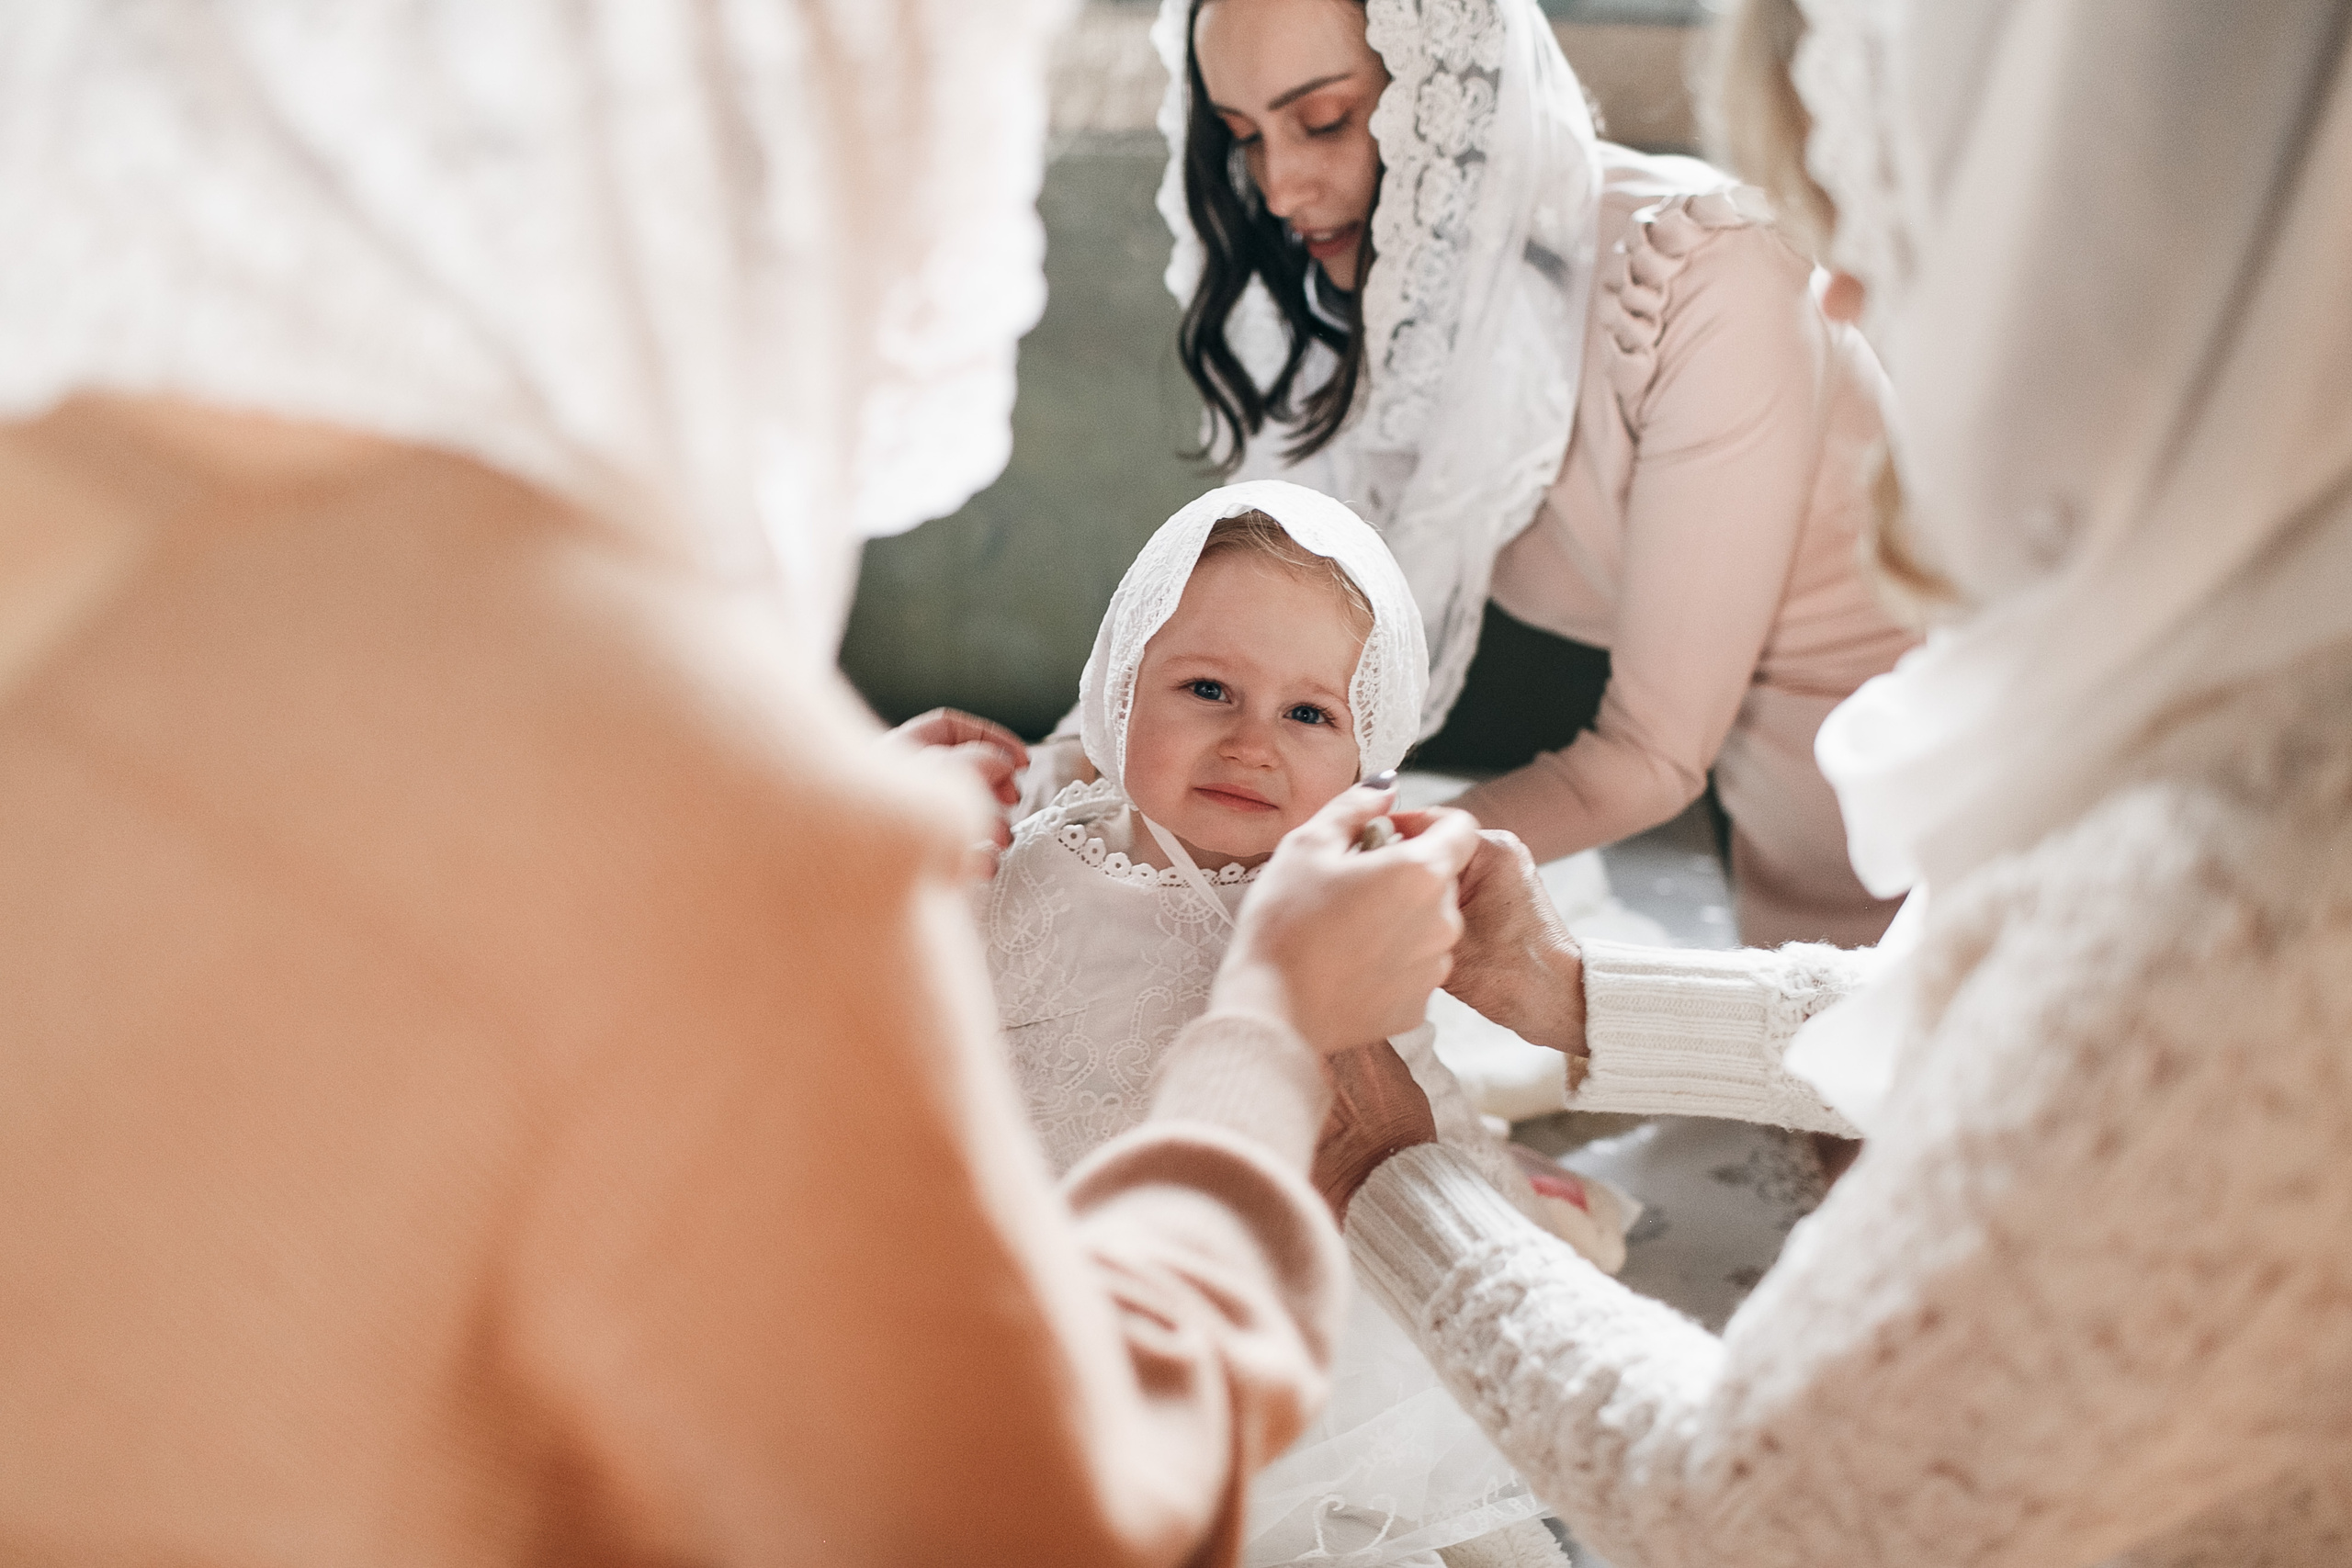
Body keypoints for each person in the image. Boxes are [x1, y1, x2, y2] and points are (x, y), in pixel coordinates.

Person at [0, 6, 1487, 1564]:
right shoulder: (700, 804)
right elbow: (1030, 1518)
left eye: (1311, 708)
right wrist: (1268, 1028)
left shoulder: (85, 520)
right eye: (1205, 687)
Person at [1309, 0, 2352, 1562]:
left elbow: (1758, 1502)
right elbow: (1981, 1018)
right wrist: (1572, 992)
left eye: (1899, 214)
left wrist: (1382, 1168)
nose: (1842, 291)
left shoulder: (2239, 885)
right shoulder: (2221, 670)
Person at [1136, 0, 1922, 948]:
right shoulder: (1380, 306)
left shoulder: (1703, 283)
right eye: (1244, 138)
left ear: (1449, 95)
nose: (1279, 187)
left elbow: (1649, 757)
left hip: (1918, 786)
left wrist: (1339, 876)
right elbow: (1234, 633)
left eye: (1325, 121)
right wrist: (1059, 784)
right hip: (1757, 803)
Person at [989, 479, 1628, 1566]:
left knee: (1412, 1507)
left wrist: (1495, 1191)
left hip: (1306, 1276)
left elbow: (1406, 1080)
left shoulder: (1354, 895)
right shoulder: (1051, 864)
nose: (1250, 744)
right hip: (1098, 1255)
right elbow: (956, 1036)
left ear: (1366, 754)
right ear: (1116, 692)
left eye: (1307, 713)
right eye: (1205, 688)